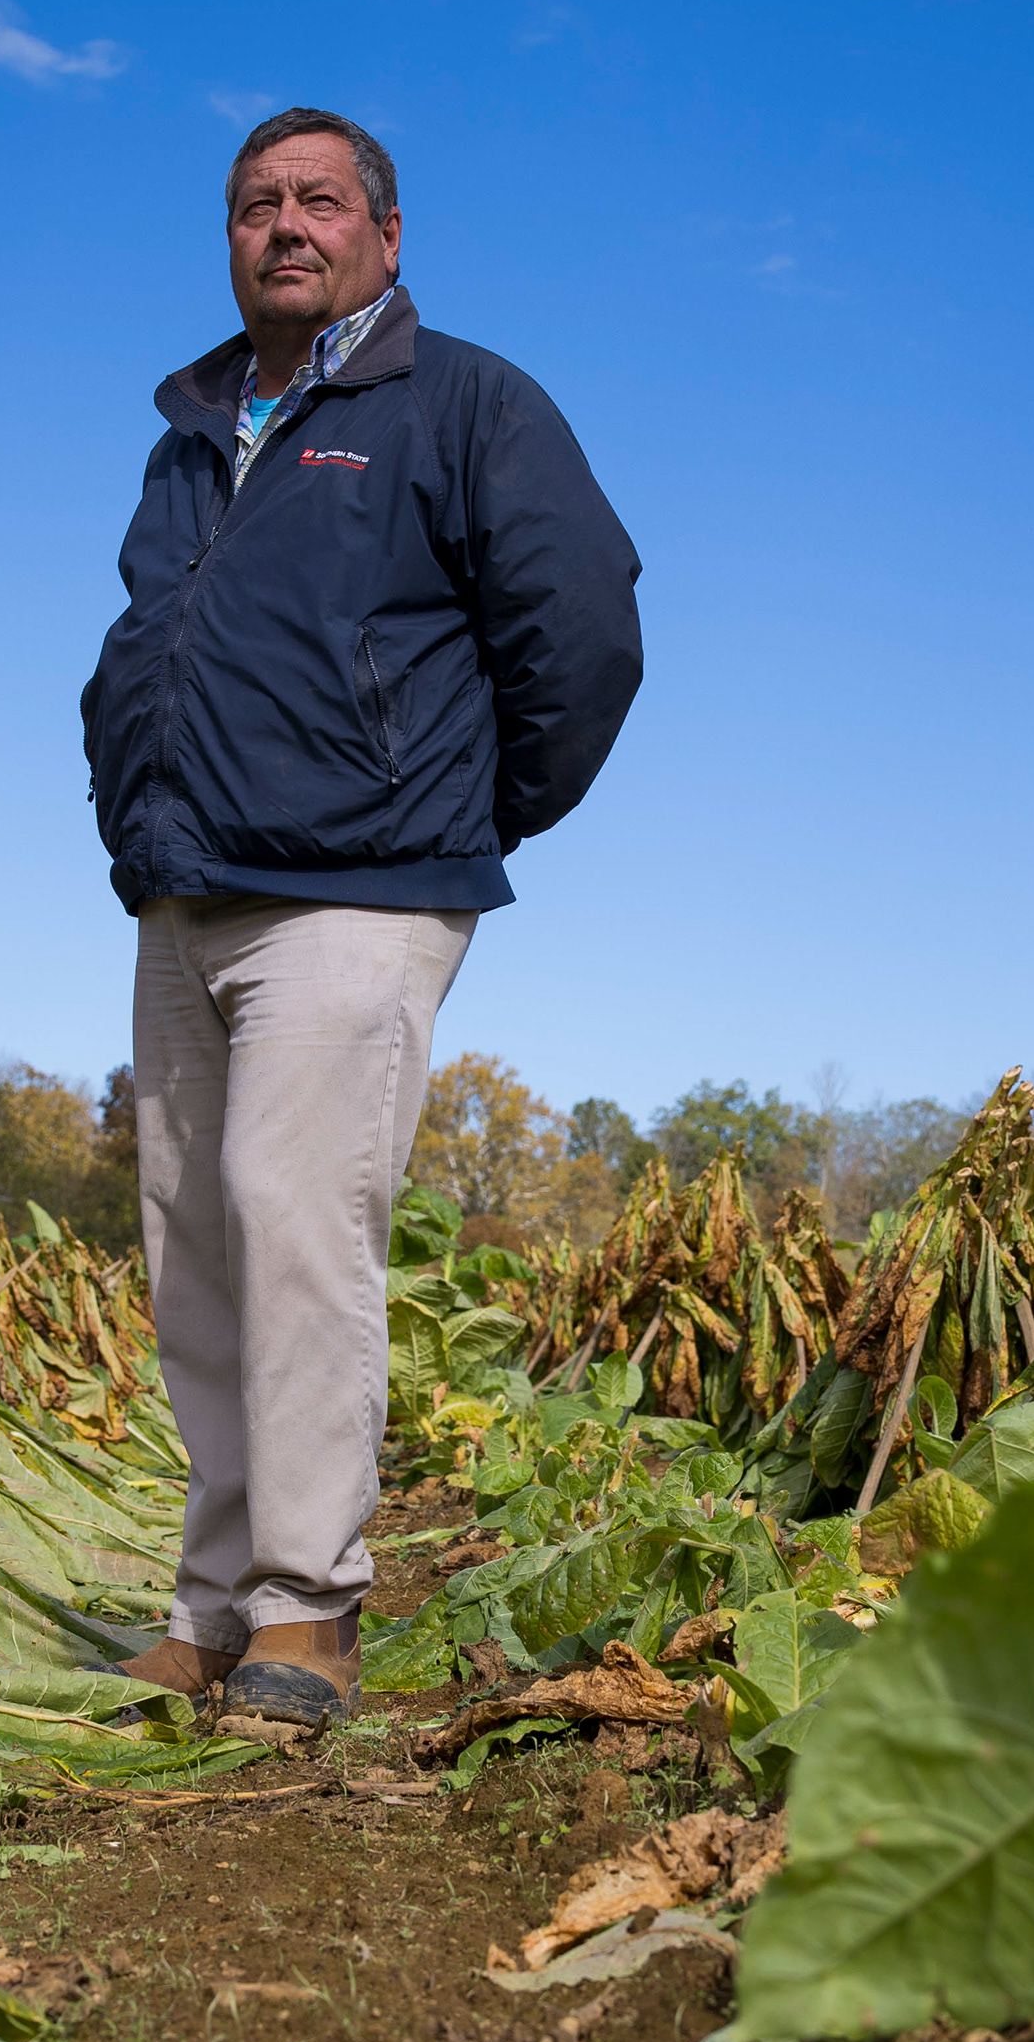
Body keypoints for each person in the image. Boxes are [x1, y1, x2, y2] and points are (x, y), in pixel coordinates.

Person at [81, 109, 643, 1729]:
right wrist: (134, 820)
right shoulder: (194, 430)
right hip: (186, 895)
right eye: (256, 204)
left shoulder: (465, 402)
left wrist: (456, 807)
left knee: (293, 1218)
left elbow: (584, 631)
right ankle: (214, 1600)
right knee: (195, 1251)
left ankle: (311, 1612)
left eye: (321, 201)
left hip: (357, 890)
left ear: (389, 237)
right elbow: (150, 648)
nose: (286, 225)